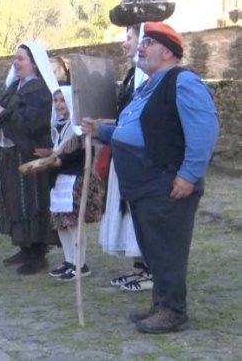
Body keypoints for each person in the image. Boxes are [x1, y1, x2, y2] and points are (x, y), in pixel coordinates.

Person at [83, 22, 218, 334]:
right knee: (154, 249)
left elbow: (205, 130)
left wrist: (188, 175)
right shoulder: (149, 86)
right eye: (141, 43)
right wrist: (101, 131)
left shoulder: (182, 82)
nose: (140, 48)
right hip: (145, 185)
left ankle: (174, 311)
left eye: (148, 43)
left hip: (166, 181)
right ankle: (161, 304)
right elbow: (137, 130)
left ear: (168, 51)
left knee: (167, 249)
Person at [0, 42, 59, 275]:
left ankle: (38, 253)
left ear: (34, 64)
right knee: (14, 201)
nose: (16, 62)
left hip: (29, 153)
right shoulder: (15, 87)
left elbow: (31, 124)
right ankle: (24, 246)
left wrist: (0, 112)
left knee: (32, 202)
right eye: (15, 58)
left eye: (21, 59)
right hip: (11, 153)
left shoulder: (40, 91)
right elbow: (4, 116)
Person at [100, 24, 153, 292]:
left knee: (138, 212)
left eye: (129, 38)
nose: (125, 43)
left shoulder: (146, 76)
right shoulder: (133, 73)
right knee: (126, 210)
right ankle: (139, 268)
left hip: (139, 156)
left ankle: (149, 271)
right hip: (124, 151)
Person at [42, 87, 104, 281]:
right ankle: (69, 260)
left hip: (74, 178)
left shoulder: (78, 126)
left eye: (63, 100)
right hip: (60, 179)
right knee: (61, 223)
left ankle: (80, 263)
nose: (59, 104)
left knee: (73, 223)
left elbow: (83, 153)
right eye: (56, 100)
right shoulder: (58, 126)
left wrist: (61, 160)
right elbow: (58, 151)